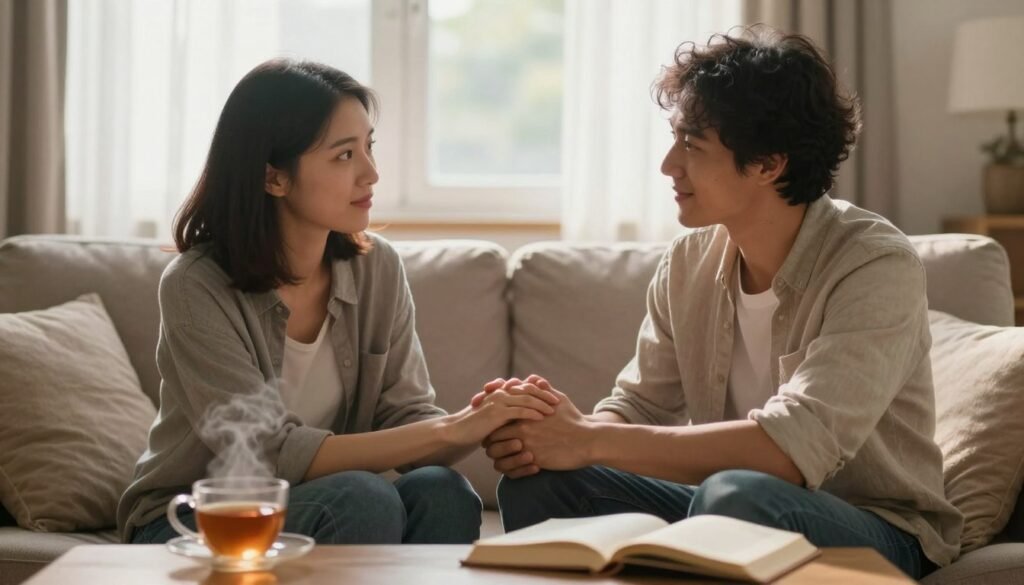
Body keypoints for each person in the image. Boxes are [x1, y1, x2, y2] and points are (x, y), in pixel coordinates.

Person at [474, 27, 961, 579]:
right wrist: (552, 436)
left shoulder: (874, 264)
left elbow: (791, 451)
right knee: (539, 488)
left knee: (736, 500)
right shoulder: (688, 261)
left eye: (692, 145)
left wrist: (589, 439)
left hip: (873, 527)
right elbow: (639, 407)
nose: (667, 165)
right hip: (723, 508)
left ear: (767, 164)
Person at [117, 59, 558, 545]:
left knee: (442, 491)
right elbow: (268, 451)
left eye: (368, 147)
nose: (371, 173)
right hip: (198, 517)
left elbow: (407, 419)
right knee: (361, 496)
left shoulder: (377, 267)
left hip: (330, 500)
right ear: (273, 178)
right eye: (344, 155)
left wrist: (490, 419)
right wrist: (454, 429)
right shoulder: (195, 286)